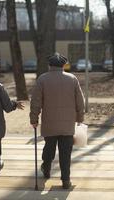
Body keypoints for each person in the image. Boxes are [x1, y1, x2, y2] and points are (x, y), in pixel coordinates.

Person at [30, 53, 85, 189]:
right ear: (63, 65)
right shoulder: (72, 79)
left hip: (50, 123)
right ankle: (65, 180)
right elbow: (80, 101)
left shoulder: (42, 79)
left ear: (50, 65)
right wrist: (80, 118)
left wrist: (34, 118)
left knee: (49, 148)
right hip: (67, 124)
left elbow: (36, 101)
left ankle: (46, 169)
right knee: (65, 153)